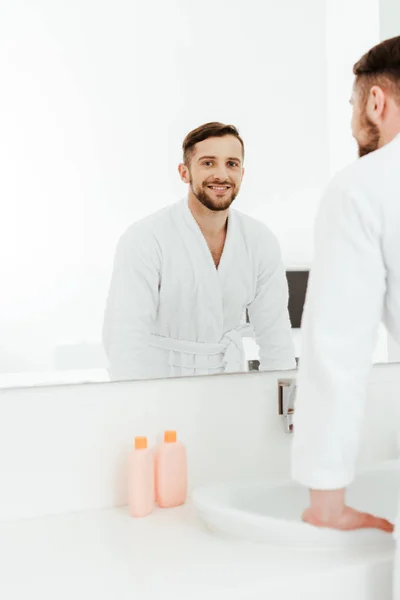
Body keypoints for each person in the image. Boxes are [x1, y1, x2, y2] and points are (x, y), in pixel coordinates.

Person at [291, 36, 400, 590]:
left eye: (354, 108)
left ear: (376, 102)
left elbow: (336, 350)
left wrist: (327, 499)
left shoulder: (366, 185)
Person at [103, 122, 296, 380]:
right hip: (159, 388)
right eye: (208, 163)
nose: (221, 174)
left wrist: (285, 409)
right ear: (184, 172)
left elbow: (276, 339)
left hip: (230, 385)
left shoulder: (260, 241)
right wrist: (134, 408)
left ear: (242, 173)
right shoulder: (145, 238)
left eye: (232, 163)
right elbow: (124, 340)